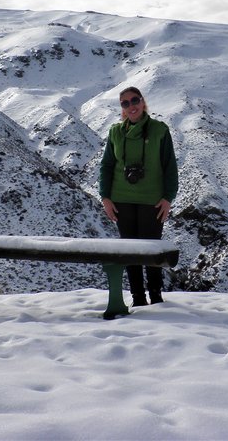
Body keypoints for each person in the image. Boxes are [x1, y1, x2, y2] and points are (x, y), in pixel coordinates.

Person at [99, 86, 179, 307]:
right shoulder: (115, 132)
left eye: (135, 100)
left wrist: (168, 198)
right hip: (121, 200)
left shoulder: (159, 130)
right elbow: (106, 166)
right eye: (125, 103)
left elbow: (170, 166)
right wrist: (105, 198)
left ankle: (156, 297)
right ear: (122, 108)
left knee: (152, 252)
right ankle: (137, 299)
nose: (131, 106)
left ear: (143, 102)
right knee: (129, 252)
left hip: (152, 201)